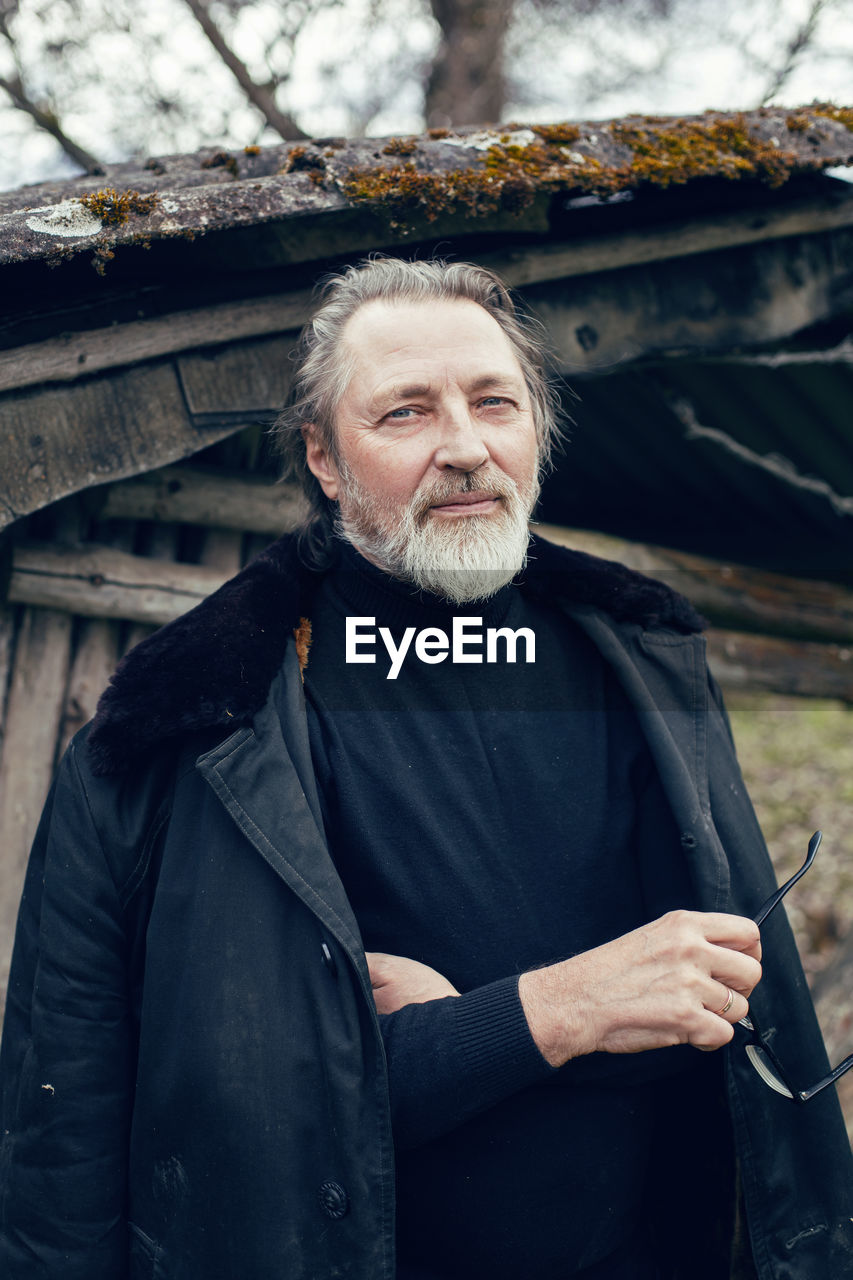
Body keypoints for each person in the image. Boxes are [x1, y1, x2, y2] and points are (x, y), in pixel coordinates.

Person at [0, 257, 850, 1280]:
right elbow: (100, 1109)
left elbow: (725, 1020)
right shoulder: (178, 717)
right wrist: (556, 1008)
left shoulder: (646, 656)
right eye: (403, 413)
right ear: (323, 456)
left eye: (494, 402)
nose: (463, 447)